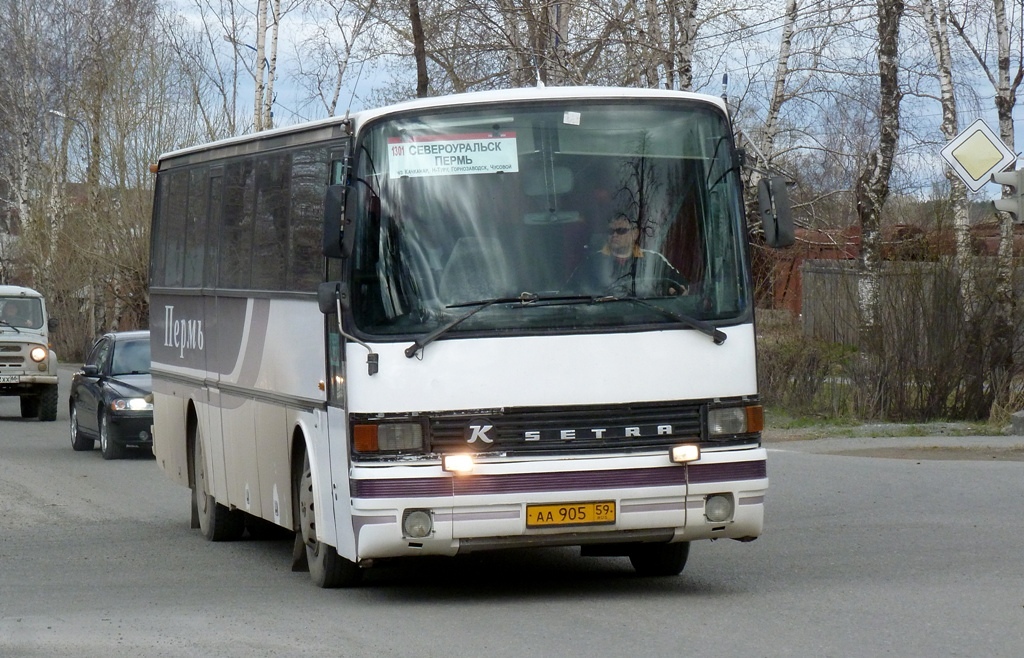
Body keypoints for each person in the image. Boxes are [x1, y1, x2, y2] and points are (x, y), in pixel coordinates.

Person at [566, 213, 688, 296]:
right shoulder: (591, 262)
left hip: (647, 319)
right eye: (610, 231)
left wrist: (675, 290)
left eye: (621, 231)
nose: (614, 235)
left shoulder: (653, 259)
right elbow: (570, 292)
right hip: (603, 321)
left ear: (635, 234)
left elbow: (681, 286)